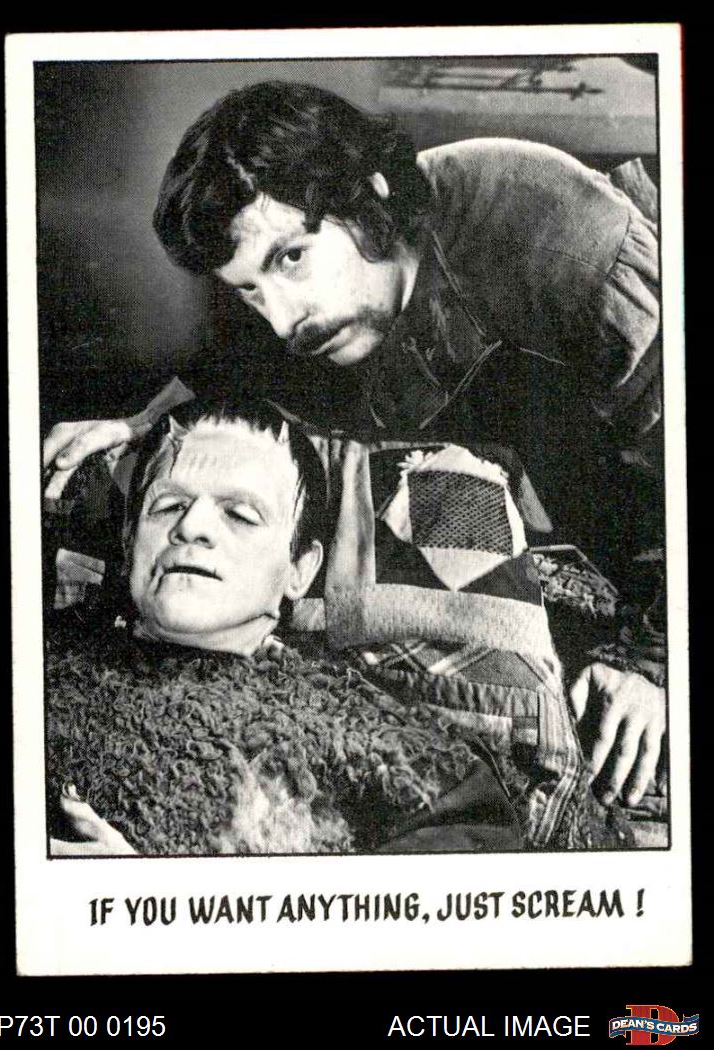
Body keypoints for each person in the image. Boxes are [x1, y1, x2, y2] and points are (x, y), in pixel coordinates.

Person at [43, 81, 665, 813]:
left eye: (290, 259)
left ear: (369, 196)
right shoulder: (310, 296)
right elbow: (237, 370)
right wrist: (138, 426)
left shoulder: (554, 232)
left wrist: (656, 666)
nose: (282, 320)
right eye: (248, 290)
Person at [48, 397, 524, 856]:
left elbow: (474, 865)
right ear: (130, 539)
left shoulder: (357, 727)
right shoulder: (34, 661)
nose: (192, 527)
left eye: (240, 514)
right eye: (169, 506)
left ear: (299, 569)